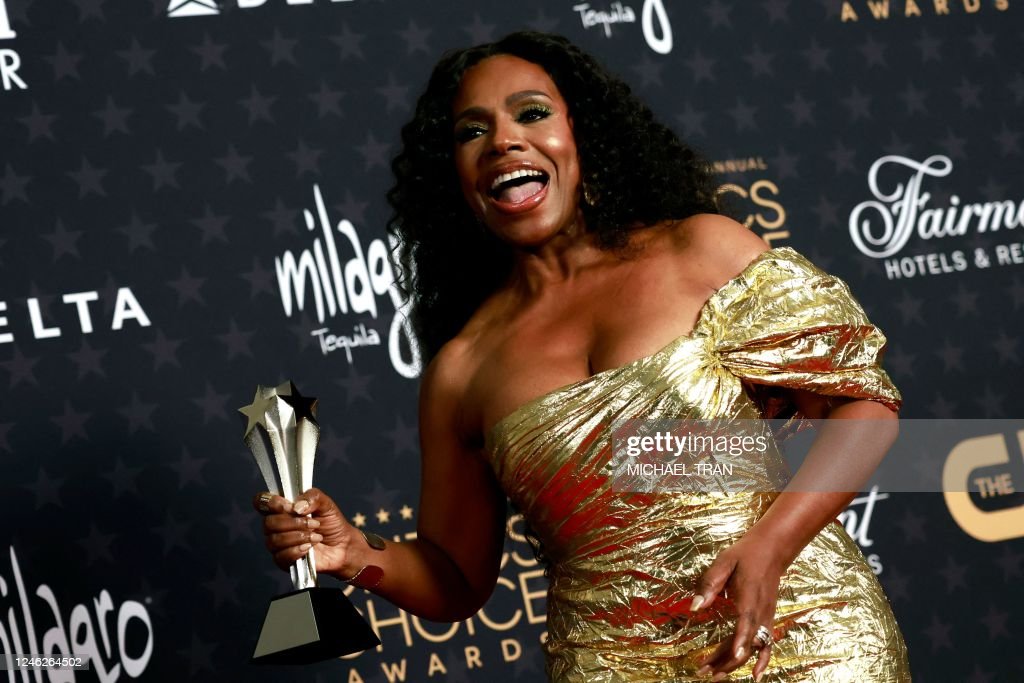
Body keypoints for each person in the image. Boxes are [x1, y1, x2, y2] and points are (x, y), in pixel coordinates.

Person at [254, 32, 911, 682]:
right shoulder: (462, 370)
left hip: (806, 636)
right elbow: (455, 578)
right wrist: (355, 553)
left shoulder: (701, 251)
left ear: (582, 133)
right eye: (472, 131)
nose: (503, 141)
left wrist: (772, 545)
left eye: (531, 112)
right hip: (610, 667)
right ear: (453, 174)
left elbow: (863, 408)